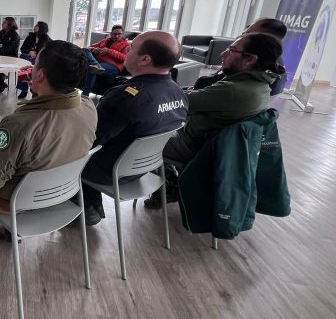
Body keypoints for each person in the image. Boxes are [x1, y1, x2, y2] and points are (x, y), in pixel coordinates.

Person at [0, 40, 97, 239]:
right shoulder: (88, 108)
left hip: (18, 198)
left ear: (40, 75)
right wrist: (39, 92)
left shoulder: (19, 124)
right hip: (60, 191)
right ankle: (8, 230)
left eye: (35, 64)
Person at [145, 32, 284, 208]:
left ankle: (169, 186)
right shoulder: (259, 85)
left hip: (197, 148)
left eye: (231, 50)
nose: (223, 54)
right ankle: (171, 184)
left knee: (139, 137)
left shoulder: (234, 90)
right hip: (213, 146)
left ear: (250, 59)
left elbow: (179, 103)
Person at [80, 31, 188, 225]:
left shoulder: (125, 98)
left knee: (64, 148)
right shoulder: (178, 93)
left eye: (131, 48)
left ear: (145, 59)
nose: (126, 52)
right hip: (145, 168)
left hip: (111, 171)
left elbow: (88, 140)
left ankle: (86, 206)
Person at [192, 18, 288, 95]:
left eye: (247, 33)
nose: (241, 36)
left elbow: (206, 87)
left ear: (263, 39)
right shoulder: (273, 64)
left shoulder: (253, 65)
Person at [82, 25, 130, 96]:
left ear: (123, 34)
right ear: (111, 34)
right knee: (85, 49)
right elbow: (89, 47)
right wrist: (93, 49)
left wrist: (108, 51)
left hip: (113, 66)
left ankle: (85, 94)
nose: (117, 36)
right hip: (99, 61)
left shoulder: (126, 44)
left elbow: (124, 58)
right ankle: (95, 64)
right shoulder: (105, 41)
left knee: (93, 69)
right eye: (114, 34)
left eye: (119, 34)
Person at [16, 21, 52, 99]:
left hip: (41, 61)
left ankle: (33, 90)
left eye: (37, 25)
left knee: (29, 66)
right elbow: (22, 49)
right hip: (29, 58)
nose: (34, 26)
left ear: (41, 28)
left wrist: (37, 54)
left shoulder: (47, 39)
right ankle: (24, 90)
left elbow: (48, 53)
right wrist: (30, 52)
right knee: (24, 57)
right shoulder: (30, 37)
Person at [0, 16, 21, 93]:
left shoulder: (15, 36)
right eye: (3, 22)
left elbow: (10, 48)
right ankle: (2, 81)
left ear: (10, 24)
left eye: (4, 22)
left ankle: (2, 83)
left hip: (10, 58)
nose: (2, 24)